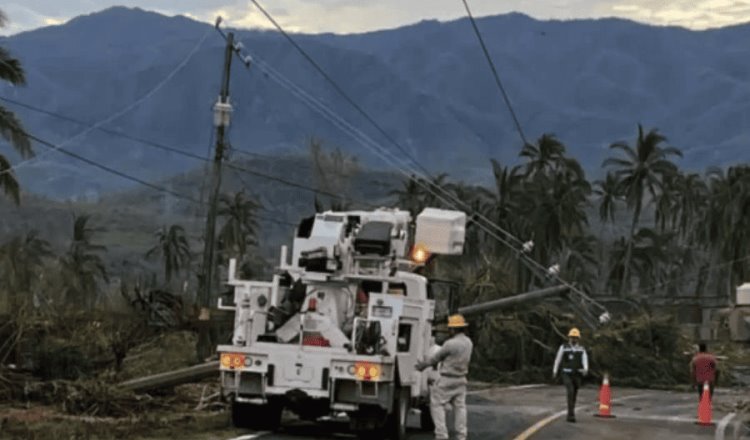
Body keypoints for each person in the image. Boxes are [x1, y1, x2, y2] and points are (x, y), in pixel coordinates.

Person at [415, 314, 473, 440]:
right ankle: (461, 435)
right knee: (460, 407)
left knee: (436, 404)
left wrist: (422, 366)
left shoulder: (450, 344)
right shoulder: (469, 343)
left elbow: (435, 359)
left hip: (447, 379)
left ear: (453, 329)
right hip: (461, 379)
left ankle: (441, 435)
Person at [552, 327, 589, 423]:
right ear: (569, 337)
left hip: (577, 374)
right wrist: (555, 371)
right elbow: (558, 359)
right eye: (572, 337)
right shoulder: (564, 347)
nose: (573, 339)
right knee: (570, 391)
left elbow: (584, 359)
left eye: (575, 337)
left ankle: (571, 410)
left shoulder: (581, 349)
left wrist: (585, 369)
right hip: (566, 373)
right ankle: (570, 414)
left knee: (574, 393)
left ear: (578, 339)